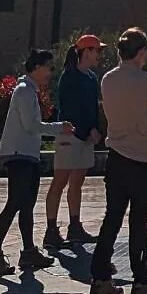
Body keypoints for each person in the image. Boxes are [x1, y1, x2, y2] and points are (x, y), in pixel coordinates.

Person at [89, 27, 147, 294]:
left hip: (116, 155)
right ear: (140, 52)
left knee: (112, 217)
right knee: (139, 221)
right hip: (142, 157)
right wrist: (145, 121)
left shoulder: (108, 80)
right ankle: (141, 282)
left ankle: (100, 278)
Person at [0, 50, 68, 276]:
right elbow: (31, 126)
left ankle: (29, 251)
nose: (51, 72)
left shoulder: (29, 91)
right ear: (37, 67)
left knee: (26, 205)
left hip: (28, 155)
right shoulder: (24, 92)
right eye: (49, 67)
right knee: (14, 204)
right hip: (19, 155)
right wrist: (59, 128)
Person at [44, 34, 105, 250]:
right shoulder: (68, 77)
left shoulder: (91, 78)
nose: (99, 55)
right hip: (69, 135)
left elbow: (93, 107)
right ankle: (51, 230)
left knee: (78, 181)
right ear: (86, 51)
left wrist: (96, 129)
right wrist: (86, 131)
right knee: (60, 180)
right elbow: (69, 110)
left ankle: (75, 225)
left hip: (87, 137)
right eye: (97, 50)